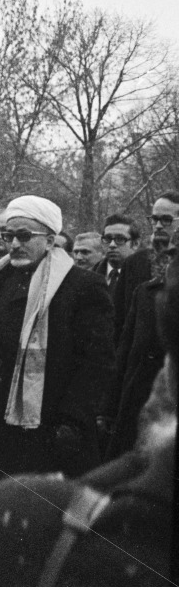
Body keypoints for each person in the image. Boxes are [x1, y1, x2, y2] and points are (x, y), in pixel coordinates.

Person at [0, 195, 115, 521]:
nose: (14, 244)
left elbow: (96, 363)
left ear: (50, 239)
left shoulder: (82, 286)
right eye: (9, 236)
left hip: (44, 426)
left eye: (24, 236)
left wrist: (71, 420)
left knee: (32, 521)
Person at [99, 228, 177, 459]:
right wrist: (108, 408)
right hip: (138, 403)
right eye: (172, 255)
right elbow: (124, 352)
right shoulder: (146, 292)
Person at [113, 191, 179, 337]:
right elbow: (119, 319)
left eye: (166, 220)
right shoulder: (134, 263)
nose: (158, 226)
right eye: (155, 219)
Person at [92, 213, 141, 299]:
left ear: (135, 244)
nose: (112, 245)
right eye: (107, 239)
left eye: (120, 239)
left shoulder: (144, 276)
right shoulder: (91, 275)